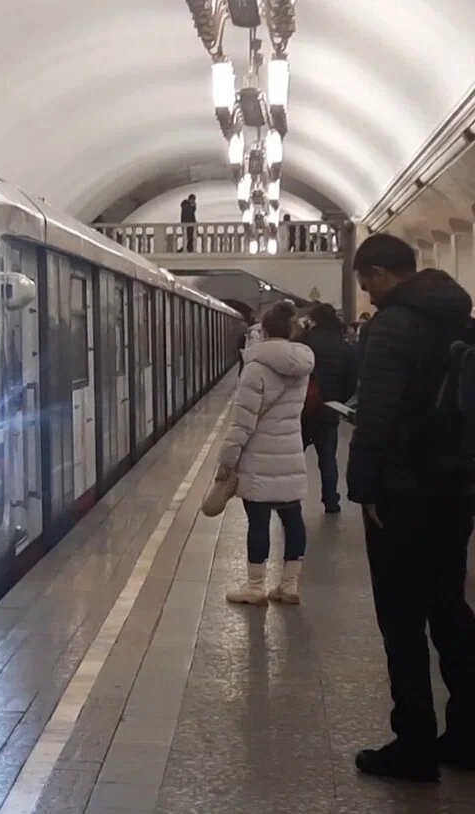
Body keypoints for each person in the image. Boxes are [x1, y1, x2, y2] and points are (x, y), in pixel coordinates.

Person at [347, 234, 475, 781]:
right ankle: (467, 734)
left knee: (401, 619)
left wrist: (363, 489)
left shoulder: (392, 326)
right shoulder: (461, 320)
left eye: (366, 283)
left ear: (380, 272)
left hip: (402, 491)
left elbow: (376, 415)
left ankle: (414, 744)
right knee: (449, 608)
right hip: (456, 489)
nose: (368, 295)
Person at [216, 301, 315, 605]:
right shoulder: (302, 366)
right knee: (293, 518)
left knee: (258, 522)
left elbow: (242, 423)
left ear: (264, 331)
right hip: (290, 452)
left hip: (258, 457)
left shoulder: (255, 368)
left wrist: (226, 460)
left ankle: (256, 587)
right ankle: (289, 585)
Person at [298, 303, 358, 513]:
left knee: (295, 458)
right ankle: (331, 501)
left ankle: (291, 501)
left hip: (302, 409)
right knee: (328, 459)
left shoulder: (303, 341)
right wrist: (337, 399)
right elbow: (351, 381)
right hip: (329, 409)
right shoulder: (344, 347)